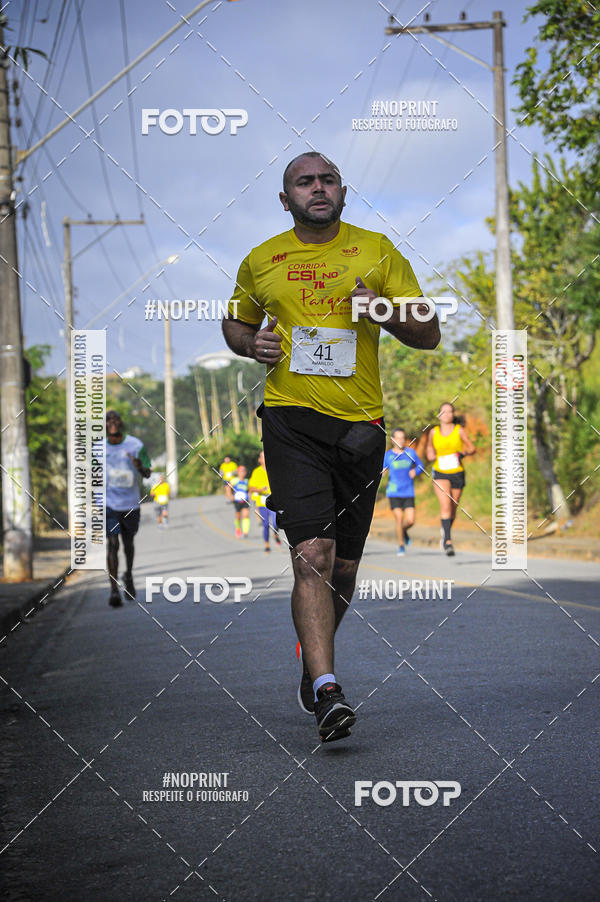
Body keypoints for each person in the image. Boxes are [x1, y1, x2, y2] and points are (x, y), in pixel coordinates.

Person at [222, 151, 440, 742]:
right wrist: (251, 344)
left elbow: (429, 332)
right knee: (312, 554)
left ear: (343, 191)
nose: (317, 188)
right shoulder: (262, 259)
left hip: (360, 426)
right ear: (285, 198)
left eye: (327, 180)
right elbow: (235, 323)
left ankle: (312, 658)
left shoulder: (377, 250)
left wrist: (386, 309)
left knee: (343, 567)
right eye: (304, 181)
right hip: (291, 421)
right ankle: (327, 688)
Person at [105, 410, 152, 607]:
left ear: (121, 424)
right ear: (105, 426)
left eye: (116, 419)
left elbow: (148, 473)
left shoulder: (135, 444)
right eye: (109, 420)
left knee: (128, 544)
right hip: (108, 504)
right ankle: (114, 589)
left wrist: (139, 466)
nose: (113, 423)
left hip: (131, 503)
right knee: (113, 545)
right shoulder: (97, 448)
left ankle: (129, 576)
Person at [426, 401, 476, 556]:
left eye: (450, 412)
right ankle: (448, 541)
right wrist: (430, 454)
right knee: (446, 505)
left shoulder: (459, 430)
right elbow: (429, 447)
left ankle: (445, 530)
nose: (447, 414)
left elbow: (471, 448)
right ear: (439, 415)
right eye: (444, 411)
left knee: (452, 509)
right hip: (440, 472)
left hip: (457, 472)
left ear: (453, 415)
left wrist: (462, 454)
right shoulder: (434, 432)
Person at [383, 428, 425, 555]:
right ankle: (401, 545)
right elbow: (382, 468)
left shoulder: (410, 453)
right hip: (394, 491)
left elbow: (420, 465)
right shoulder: (388, 455)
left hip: (408, 491)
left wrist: (415, 471)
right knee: (399, 518)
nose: (400, 440)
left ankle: (403, 532)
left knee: (411, 520)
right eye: (398, 438)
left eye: (402, 438)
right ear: (393, 440)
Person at [249, 450, 281, 552]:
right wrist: (260, 490)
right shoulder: (256, 472)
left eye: (265, 456)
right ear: (259, 460)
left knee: (276, 523)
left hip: (274, 501)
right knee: (266, 524)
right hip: (262, 503)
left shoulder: (274, 469)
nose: (265, 458)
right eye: (262, 456)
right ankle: (267, 544)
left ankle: (275, 534)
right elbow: (251, 488)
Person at [230, 464, 250, 538]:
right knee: (238, 516)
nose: (242, 473)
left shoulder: (247, 481)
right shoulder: (234, 480)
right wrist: (231, 496)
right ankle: (238, 529)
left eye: (243, 471)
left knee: (246, 515)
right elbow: (229, 488)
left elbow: (249, 490)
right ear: (238, 472)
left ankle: (245, 532)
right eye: (241, 471)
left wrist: (249, 495)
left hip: (245, 501)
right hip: (237, 501)